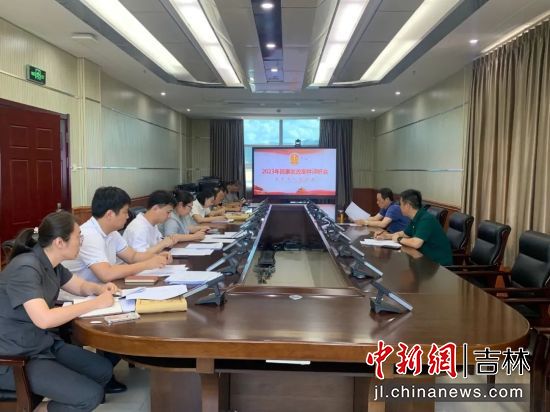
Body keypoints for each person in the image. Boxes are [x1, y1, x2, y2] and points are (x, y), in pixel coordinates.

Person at [0, 211, 117, 412]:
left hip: (41, 342)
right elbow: (44, 319)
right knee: (90, 396)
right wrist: (96, 303)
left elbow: (79, 286)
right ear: (59, 243)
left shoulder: (51, 264)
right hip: (16, 356)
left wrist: (100, 289)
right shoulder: (25, 268)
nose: (81, 242)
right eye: (78, 237)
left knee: (103, 371)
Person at [64, 186, 171, 284]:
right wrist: (146, 265)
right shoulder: (88, 235)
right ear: (110, 214)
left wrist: (156, 257)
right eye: (125, 212)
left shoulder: (112, 232)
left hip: (102, 289)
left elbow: (133, 256)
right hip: (80, 295)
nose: (128, 216)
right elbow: (106, 274)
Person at [376, 189, 453, 266]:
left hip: (438, 265)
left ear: (408, 206)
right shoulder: (415, 217)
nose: (399, 207)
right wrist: (386, 236)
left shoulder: (426, 219)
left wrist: (398, 239)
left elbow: (416, 243)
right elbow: (404, 233)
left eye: (401, 204)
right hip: (424, 260)